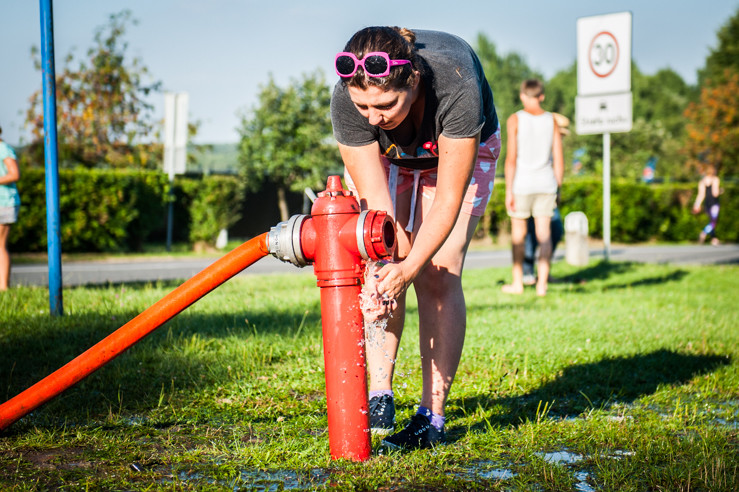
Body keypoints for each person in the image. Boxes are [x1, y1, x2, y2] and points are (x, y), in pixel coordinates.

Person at [331, 26, 500, 450]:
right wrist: (395, 261)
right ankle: (380, 393)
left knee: (438, 273)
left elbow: (446, 201)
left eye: (386, 104)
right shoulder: (349, 101)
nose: (374, 117)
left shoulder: (454, 81)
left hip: (456, 152)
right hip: (392, 160)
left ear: (414, 81)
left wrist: (414, 266)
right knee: (381, 261)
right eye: (363, 106)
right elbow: (378, 212)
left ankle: (432, 417)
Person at [502, 79, 563, 296]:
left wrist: (508, 190)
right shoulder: (552, 120)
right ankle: (542, 285)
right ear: (542, 96)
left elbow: (511, 158)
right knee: (544, 235)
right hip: (546, 183)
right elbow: (558, 157)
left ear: (522, 96)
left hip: (522, 184)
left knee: (518, 235)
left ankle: (518, 283)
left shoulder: (515, 119)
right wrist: (558, 187)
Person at [521, 113, 569, 286]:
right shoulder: (534, 144)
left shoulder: (553, 147)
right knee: (530, 233)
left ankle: (543, 272)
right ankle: (527, 274)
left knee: (554, 230)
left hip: (547, 191)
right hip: (530, 188)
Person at [0, 125, 21, 291]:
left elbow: (14, 174)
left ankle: (4, 287)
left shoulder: (3, 149)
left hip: (5, 202)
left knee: (0, 245)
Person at [692, 164, 721, 246]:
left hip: (707, 204)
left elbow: (701, 194)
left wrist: (696, 205)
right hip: (714, 204)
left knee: (711, 221)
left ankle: (714, 239)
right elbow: (715, 193)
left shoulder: (702, 182)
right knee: (713, 222)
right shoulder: (715, 179)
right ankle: (704, 232)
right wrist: (720, 191)